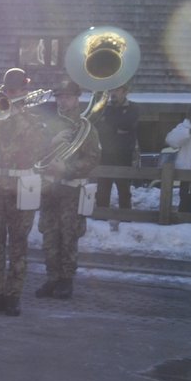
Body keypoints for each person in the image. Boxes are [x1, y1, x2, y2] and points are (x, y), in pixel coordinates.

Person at [0, 74, 46, 317]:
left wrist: (18, 115)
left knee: (18, 244)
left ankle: (13, 295)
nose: (12, 95)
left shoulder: (34, 122)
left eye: (17, 91)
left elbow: (37, 150)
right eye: (9, 91)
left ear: (25, 92)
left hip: (22, 185)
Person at [34, 81, 102, 298]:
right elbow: (34, 153)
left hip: (71, 190)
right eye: (59, 97)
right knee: (49, 235)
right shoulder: (47, 125)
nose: (63, 101)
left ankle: (66, 280)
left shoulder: (86, 127)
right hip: (50, 189)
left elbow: (93, 159)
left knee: (68, 235)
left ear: (76, 98)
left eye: (67, 97)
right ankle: (52, 277)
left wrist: (67, 168)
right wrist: (52, 142)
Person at [92, 84, 139, 228]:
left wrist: (110, 123)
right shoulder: (103, 107)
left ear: (125, 92)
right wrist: (114, 126)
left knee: (124, 189)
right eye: (111, 90)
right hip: (105, 153)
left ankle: (126, 220)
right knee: (102, 188)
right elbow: (98, 126)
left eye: (117, 90)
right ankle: (100, 220)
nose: (114, 93)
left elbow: (127, 125)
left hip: (124, 154)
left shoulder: (134, 108)